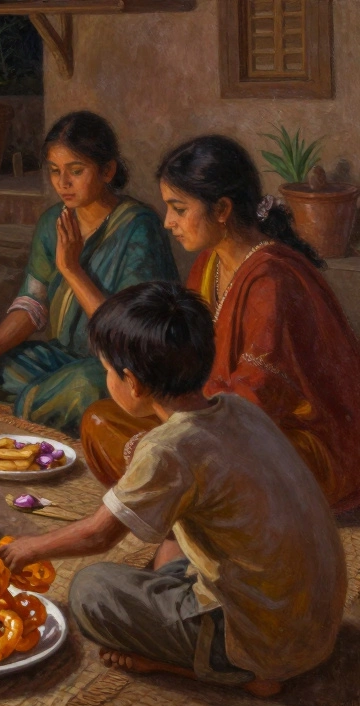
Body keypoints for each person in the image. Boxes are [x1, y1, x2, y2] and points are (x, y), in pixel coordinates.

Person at [0, 281, 345, 699]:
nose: (106, 379)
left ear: (134, 382)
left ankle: (221, 670)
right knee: (172, 539)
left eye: (108, 371)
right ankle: (211, 638)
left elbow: (100, 535)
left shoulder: (168, 449)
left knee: (91, 590)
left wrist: (28, 549)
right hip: (312, 621)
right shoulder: (235, 409)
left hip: (263, 642)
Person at [81, 135, 360, 511]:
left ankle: (185, 497)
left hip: (285, 441)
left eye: (179, 209)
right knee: (100, 422)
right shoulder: (208, 265)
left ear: (223, 208)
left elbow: (256, 405)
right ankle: (183, 492)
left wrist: (177, 420)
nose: (168, 222)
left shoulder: (271, 280)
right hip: (214, 424)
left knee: (189, 460)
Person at [0, 112, 177, 435]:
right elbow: (32, 303)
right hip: (60, 358)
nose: (63, 184)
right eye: (55, 172)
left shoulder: (139, 228)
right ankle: (44, 403)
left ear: (107, 170)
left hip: (114, 368)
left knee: (85, 385)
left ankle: (23, 408)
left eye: (76, 171)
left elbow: (130, 336)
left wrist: (71, 269)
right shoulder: (53, 222)